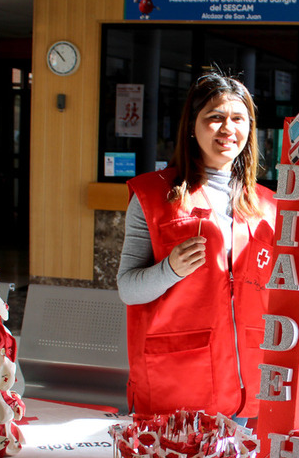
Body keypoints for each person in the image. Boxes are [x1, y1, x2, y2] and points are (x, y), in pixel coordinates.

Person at [118, 70, 276, 420]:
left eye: (238, 118)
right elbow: (128, 288)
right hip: (176, 382)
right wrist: (170, 269)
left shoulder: (268, 205)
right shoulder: (153, 195)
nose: (227, 129)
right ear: (193, 125)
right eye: (215, 118)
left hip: (250, 381)